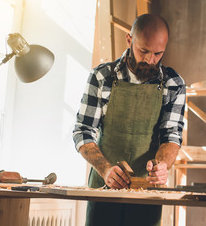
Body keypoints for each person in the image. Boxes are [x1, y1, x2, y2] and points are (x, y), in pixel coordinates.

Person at [73, 13, 186, 226]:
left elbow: (171, 135)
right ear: (129, 39)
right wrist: (105, 169)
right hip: (104, 188)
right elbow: (83, 131)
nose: (150, 59)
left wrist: (162, 166)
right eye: (143, 50)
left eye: (157, 53)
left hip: (146, 191)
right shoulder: (101, 77)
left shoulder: (173, 84)